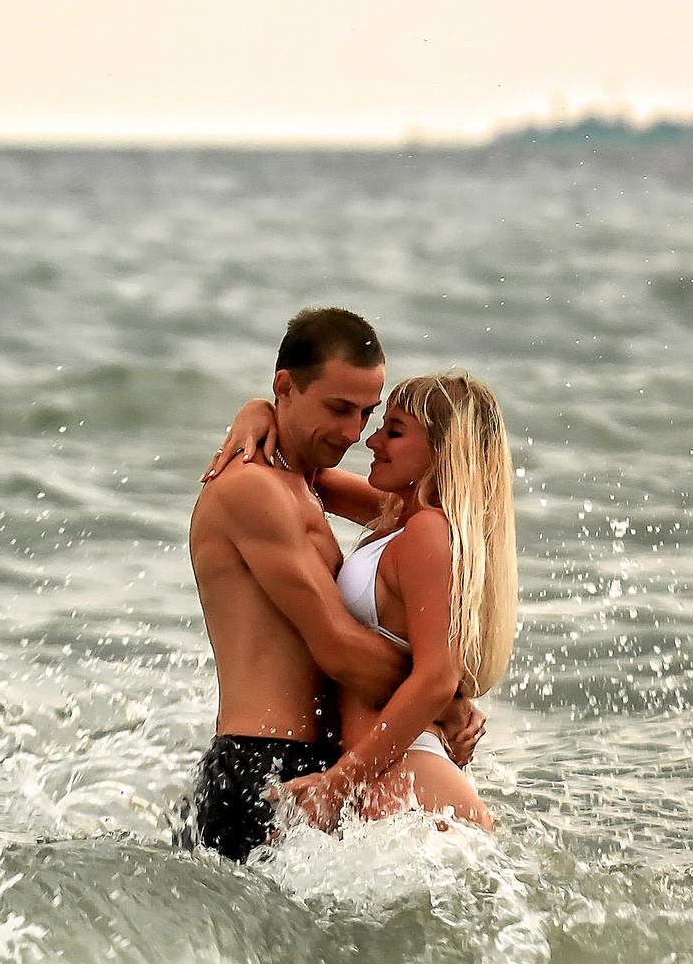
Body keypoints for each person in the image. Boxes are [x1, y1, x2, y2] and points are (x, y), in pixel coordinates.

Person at [183, 309, 484, 860]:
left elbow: (424, 516)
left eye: (368, 412)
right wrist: (444, 698)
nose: (353, 433)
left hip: (322, 771)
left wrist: (254, 410)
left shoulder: (310, 487)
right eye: (338, 409)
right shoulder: (253, 492)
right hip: (263, 764)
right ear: (285, 388)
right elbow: (340, 650)